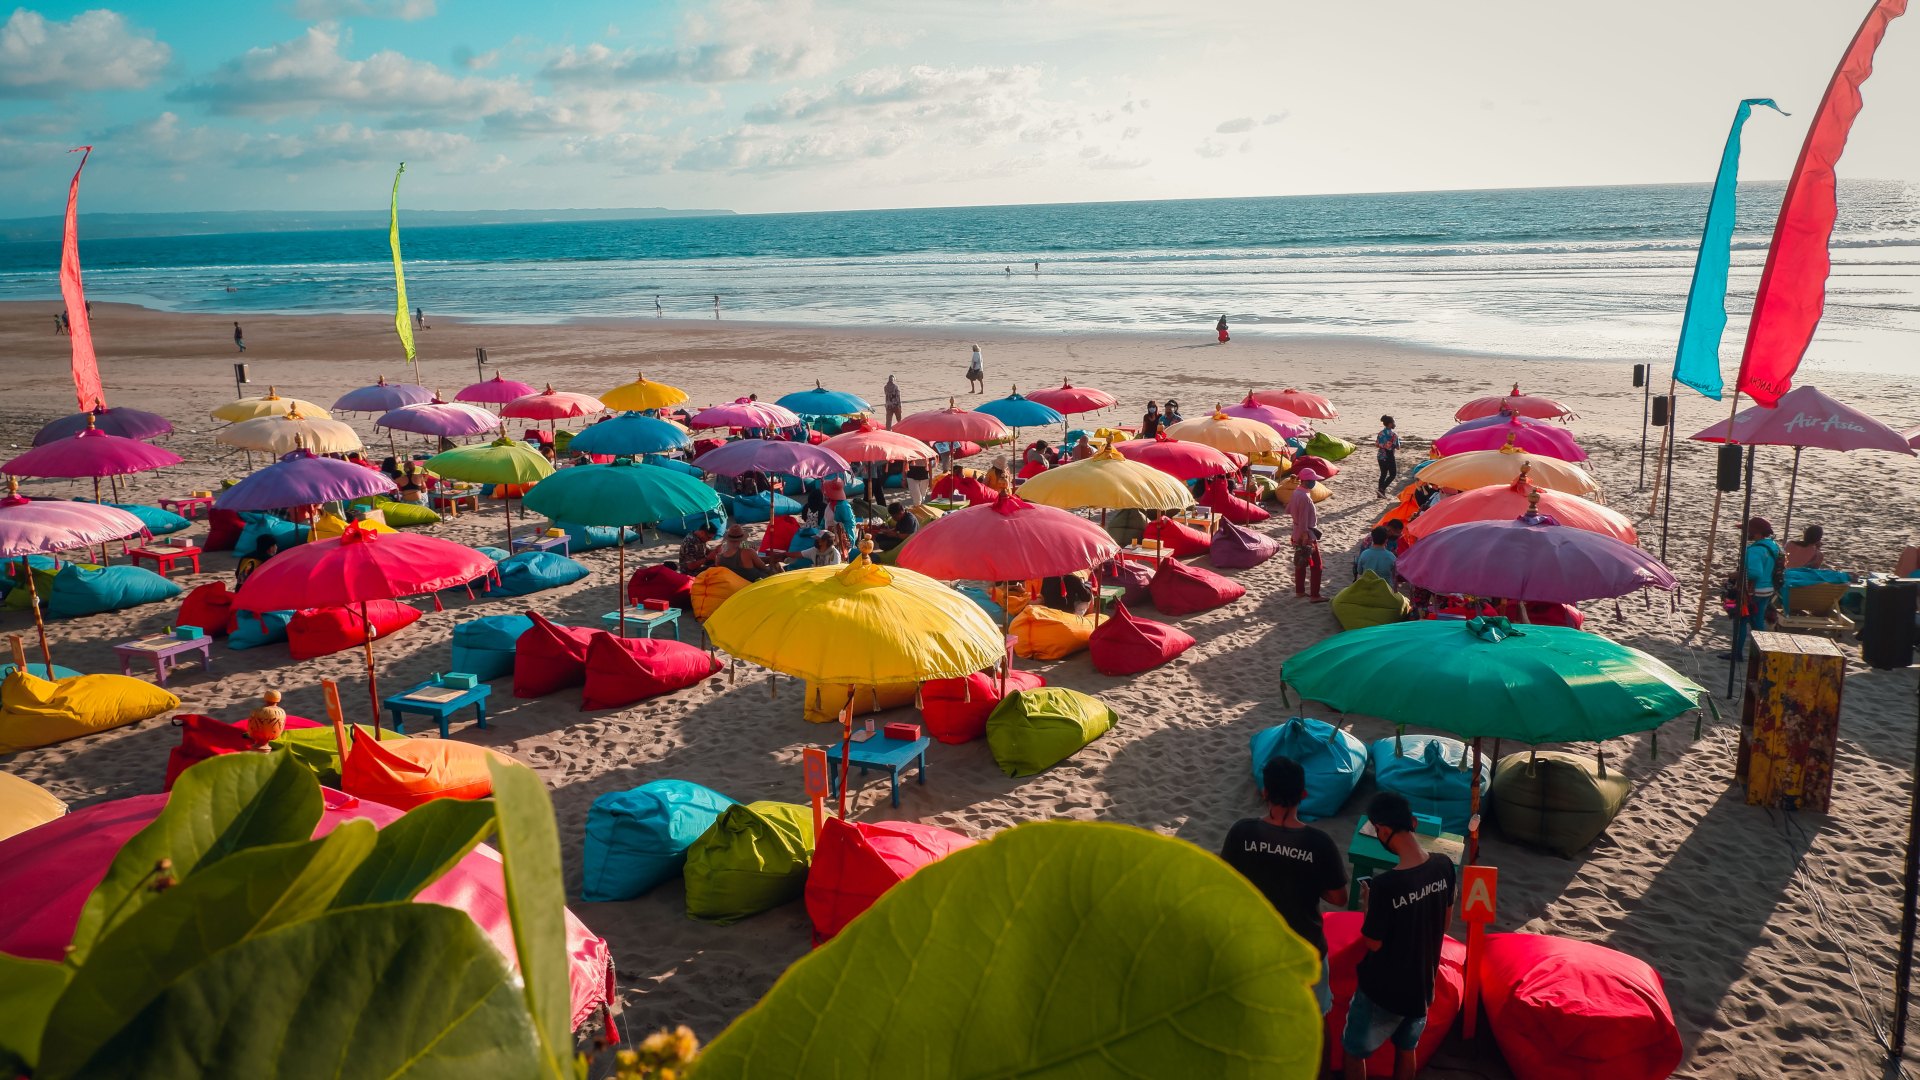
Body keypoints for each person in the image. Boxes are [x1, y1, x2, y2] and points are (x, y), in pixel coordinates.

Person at [1220, 756, 1348, 1017]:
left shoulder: (1242, 832)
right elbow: (1338, 898)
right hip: (1305, 949)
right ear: (1303, 793)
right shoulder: (1319, 843)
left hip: (1255, 948)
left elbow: (1225, 882)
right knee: (1314, 1022)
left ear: (1265, 792)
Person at [1343, 793, 1455, 1080]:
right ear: (1414, 822)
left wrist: (1369, 906)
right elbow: (1444, 925)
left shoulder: (1384, 886)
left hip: (1383, 990)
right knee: (1406, 1049)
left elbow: (1373, 942)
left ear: (1381, 831)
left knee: (1354, 1050)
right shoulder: (1444, 866)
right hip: (1421, 986)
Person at [1728, 517, 1784, 661]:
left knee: (1740, 620)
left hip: (1753, 591)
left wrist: (1736, 574)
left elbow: (1754, 573)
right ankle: (1761, 654)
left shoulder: (1754, 550)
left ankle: (1737, 654)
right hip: (1768, 590)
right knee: (1757, 622)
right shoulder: (1773, 546)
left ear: (1757, 533)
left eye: (1747, 530)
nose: (1745, 533)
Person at [1288, 468, 1325, 601]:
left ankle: (1300, 591)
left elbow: (1288, 509)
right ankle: (1315, 595)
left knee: (1301, 562)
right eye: (1313, 480)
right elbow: (1304, 519)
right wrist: (1305, 537)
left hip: (1297, 531)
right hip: (1307, 534)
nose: (1315, 482)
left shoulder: (1297, 492)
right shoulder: (1304, 497)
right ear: (1307, 481)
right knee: (1316, 566)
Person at [1375, 416, 1401, 499]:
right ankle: (1382, 489)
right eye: (1393, 423)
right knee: (1393, 474)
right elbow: (1398, 447)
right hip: (1389, 456)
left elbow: (1377, 444)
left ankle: (1380, 493)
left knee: (1383, 474)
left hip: (1380, 456)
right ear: (1390, 424)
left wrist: (1383, 445)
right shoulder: (1393, 435)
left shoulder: (1380, 433)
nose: (1394, 424)